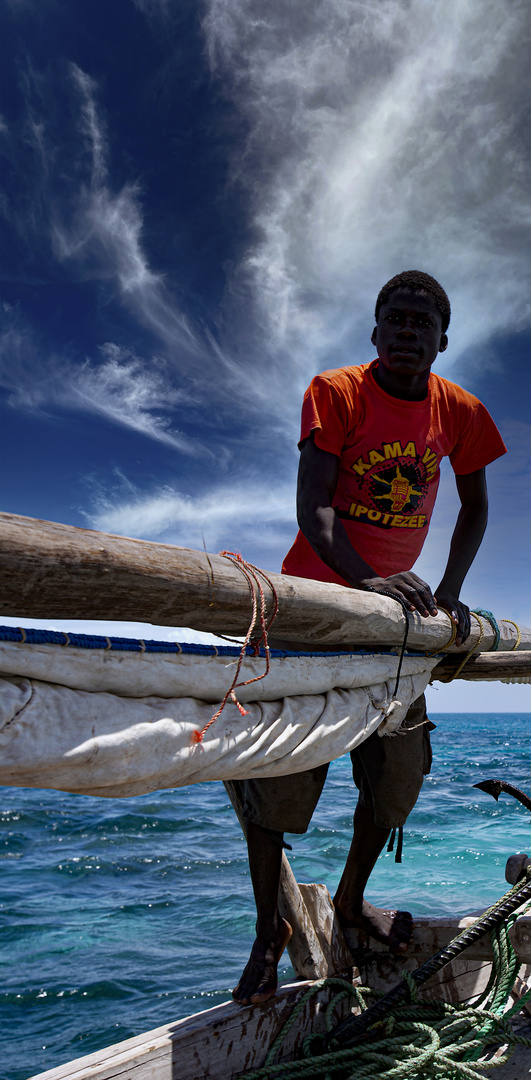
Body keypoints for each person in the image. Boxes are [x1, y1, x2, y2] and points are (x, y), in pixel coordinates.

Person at [231, 270, 507, 1006]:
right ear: (375, 332)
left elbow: (476, 505)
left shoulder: (460, 410)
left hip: (395, 626)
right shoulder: (336, 391)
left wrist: (446, 593)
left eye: (423, 322)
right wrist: (364, 582)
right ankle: (269, 930)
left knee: (393, 778)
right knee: (276, 779)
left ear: (442, 340)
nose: (409, 331)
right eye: (396, 319)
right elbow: (312, 509)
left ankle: (350, 903)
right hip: (315, 606)